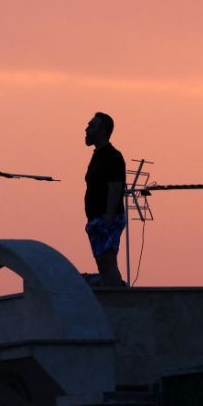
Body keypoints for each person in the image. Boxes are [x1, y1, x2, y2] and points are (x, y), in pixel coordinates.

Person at [83, 112, 127, 287]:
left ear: (102, 130)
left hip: (106, 218)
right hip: (97, 218)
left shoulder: (112, 156)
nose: (87, 129)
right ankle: (114, 294)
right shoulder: (99, 155)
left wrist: (108, 218)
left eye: (91, 126)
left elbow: (115, 188)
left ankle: (118, 301)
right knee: (103, 263)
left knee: (107, 262)